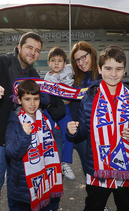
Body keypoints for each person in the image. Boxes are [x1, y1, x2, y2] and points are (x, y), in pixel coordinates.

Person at [0, 32, 65, 211]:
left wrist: (56, 102)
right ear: (20, 47)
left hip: (21, 136)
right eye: (30, 48)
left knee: (15, 183)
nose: (33, 53)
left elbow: (40, 102)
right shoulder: (0, 63)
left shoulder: (33, 73)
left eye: (37, 50)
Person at [67, 45, 129, 211]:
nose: (113, 74)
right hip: (98, 168)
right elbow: (83, 132)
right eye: (108, 68)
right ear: (100, 68)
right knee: (93, 206)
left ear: (124, 70)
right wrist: (74, 130)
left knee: (125, 206)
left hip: (125, 167)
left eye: (118, 69)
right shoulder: (89, 97)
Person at [5, 79, 63, 211]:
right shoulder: (15, 121)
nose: (32, 103)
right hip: (23, 188)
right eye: (27, 99)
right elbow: (11, 152)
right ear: (19, 100)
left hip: (44, 183)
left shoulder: (44, 119)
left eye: (36, 99)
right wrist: (23, 135)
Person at [69, 41, 102, 174]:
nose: (81, 62)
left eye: (84, 57)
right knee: (58, 172)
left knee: (91, 173)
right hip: (70, 132)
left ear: (92, 54)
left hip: (88, 135)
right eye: (77, 60)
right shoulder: (73, 78)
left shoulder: (101, 76)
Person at [44, 46, 76, 181]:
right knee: (45, 133)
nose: (56, 63)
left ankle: (65, 163)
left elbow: (80, 65)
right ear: (48, 63)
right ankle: (46, 163)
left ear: (65, 62)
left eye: (60, 60)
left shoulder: (69, 69)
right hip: (51, 108)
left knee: (70, 132)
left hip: (65, 108)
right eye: (53, 60)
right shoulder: (48, 76)